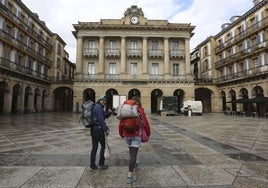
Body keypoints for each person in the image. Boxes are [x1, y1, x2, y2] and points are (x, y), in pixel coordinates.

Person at [118, 96, 151, 184]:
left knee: (131, 150)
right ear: (138, 102)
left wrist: (121, 133)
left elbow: (121, 123)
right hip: (136, 134)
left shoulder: (125, 110)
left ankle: (134, 162)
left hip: (126, 134)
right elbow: (145, 123)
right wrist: (148, 133)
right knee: (134, 154)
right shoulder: (139, 110)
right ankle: (129, 176)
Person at [90, 95, 112, 170]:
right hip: (98, 129)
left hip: (93, 129)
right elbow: (101, 120)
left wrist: (109, 113)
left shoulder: (97, 107)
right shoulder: (99, 107)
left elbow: (103, 116)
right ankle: (101, 164)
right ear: (99, 100)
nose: (103, 101)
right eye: (102, 100)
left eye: (104, 100)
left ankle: (92, 165)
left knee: (94, 147)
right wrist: (105, 129)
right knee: (103, 145)